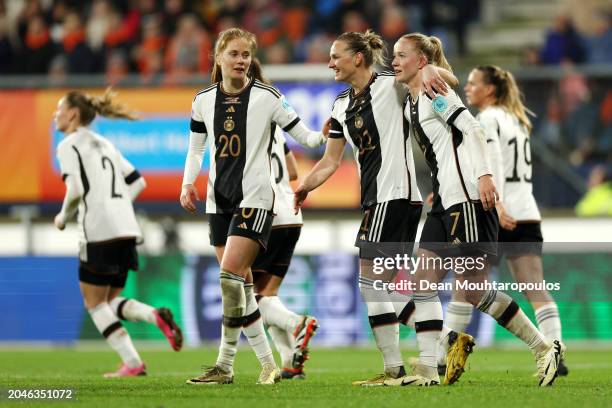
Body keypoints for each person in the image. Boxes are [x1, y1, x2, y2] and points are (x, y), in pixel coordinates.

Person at [294, 29, 470, 386]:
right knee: (381, 286)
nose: (330, 62)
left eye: (335, 55)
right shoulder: (340, 105)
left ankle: (396, 368)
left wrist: (437, 71)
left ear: (358, 57)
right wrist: (303, 187)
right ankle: (442, 342)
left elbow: (447, 81)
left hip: (395, 197)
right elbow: (330, 161)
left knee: (370, 285)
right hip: (382, 200)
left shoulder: (392, 85)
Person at [387, 33, 565, 387]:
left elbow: (472, 129)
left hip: (467, 200)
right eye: (393, 54)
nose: (394, 61)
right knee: (416, 286)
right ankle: (439, 355)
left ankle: (543, 348)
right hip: (445, 202)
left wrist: (485, 178)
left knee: (472, 290)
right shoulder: (414, 96)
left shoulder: (433, 92)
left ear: (421, 62)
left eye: (401, 55)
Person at [180, 27, 326, 385]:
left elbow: (305, 137)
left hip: (257, 200)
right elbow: (196, 148)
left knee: (230, 278)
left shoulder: (269, 97)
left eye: (246, 55)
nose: (241, 60)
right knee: (242, 289)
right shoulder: (202, 100)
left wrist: (331, 132)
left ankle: (227, 365)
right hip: (218, 200)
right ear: (219, 57)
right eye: (234, 54)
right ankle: (261, 365)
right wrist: (187, 183)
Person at [53, 89, 183, 378]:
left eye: (59, 109)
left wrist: (63, 216)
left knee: (94, 304)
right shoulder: (105, 144)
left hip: (98, 231)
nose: (55, 115)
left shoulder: (68, 144)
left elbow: (74, 190)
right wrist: (117, 204)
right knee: (110, 301)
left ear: (73, 114)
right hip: (126, 229)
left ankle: (133, 363)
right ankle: (154, 315)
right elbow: (138, 181)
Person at [454, 65, 569, 374]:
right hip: (528, 212)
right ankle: (555, 350)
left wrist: (499, 207)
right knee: (536, 288)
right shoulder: (517, 121)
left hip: (498, 212)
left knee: (466, 283)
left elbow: (493, 166)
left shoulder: (488, 119)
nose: (467, 87)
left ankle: (446, 355)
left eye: (473, 82)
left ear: (490, 90)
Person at [252, 128, 316, 380]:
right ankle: (290, 362)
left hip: (266, 212)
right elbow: (292, 172)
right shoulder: (277, 129)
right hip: (292, 212)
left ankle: (297, 324)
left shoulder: (245, 123)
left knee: (248, 295)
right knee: (266, 294)